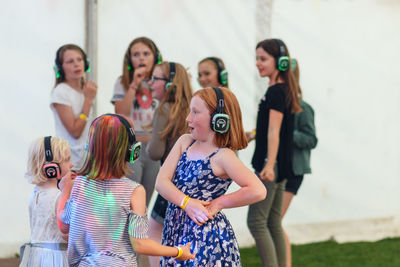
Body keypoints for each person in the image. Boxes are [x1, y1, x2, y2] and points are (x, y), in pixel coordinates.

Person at [56, 114, 195, 266]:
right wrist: (178, 251)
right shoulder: (134, 191)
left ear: (90, 147)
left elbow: (64, 227)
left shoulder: (79, 184)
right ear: (131, 151)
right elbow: (140, 244)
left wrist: (65, 192)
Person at [156, 87, 267, 266]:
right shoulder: (185, 142)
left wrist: (219, 203)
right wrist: (187, 203)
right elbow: (161, 182)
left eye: (196, 112)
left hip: (205, 241)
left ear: (218, 120)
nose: (188, 118)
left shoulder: (223, 156)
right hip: (175, 233)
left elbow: (258, 190)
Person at [246, 38, 302, 267]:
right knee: (272, 223)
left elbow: (274, 131)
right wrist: (251, 134)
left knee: (257, 222)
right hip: (280, 164)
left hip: (272, 166)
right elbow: (270, 129)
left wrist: (268, 165)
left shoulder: (277, 91)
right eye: (257, 58)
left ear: (279, 63)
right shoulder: (280, 89)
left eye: (263, 59)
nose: (258, 63)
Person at [145, 61, 193, 267]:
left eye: (155, 78)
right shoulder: (193, 107)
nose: (150, 82)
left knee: (153, 232)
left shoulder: (164, 109)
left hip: (172, 185)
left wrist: (148, 141)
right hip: (193, 185)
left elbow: (155, 152)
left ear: (169, 84)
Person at [111, 37, 162, 205]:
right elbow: (121, 113)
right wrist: (133, 84)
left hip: (154, 150)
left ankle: (139, 232)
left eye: (146, 54)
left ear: (155, 57)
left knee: (144, 203)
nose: (141, 58)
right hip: (131, 149)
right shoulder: (122, 82)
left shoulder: (161, 83)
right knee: (129, 201)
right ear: (129, 60)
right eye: (136, 54)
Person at [281, 59, 318, 267]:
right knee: (271, 223)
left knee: (274, 223)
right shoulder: (277, 105)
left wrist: (287, 133)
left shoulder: (304, 108)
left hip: (294, 171)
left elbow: (311, 139)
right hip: (278, 170)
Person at [19, 136, 73, 267]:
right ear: (51, 167)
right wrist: (68, 192)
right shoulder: (59, 197)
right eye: (67, 160)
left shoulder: (35, 194)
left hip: (35, 256)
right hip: (56, 257)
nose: (71, 164)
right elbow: (69, 231)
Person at [50, 44, 98, 170]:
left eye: (79, 60)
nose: (76, 64)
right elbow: (75, 132)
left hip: (88, 160)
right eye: (70, 61)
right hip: (71, 163)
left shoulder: (86, 89)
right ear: (60, 68)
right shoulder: (61, 92)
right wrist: (88, 100)